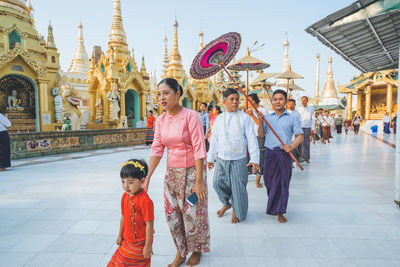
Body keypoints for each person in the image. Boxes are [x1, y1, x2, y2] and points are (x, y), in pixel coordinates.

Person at [145, 78, 209, 267]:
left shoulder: (191, 116)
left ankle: (196, 249)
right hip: (172, 174)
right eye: (159, 94)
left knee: (193, 212)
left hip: (193, 173)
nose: (161, 98)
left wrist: (199, 181)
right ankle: (181, 251)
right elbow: (157, 149)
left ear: (178, 93)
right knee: (172, 214)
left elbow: (199, 147)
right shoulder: (161, 120)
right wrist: (147, 176)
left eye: (166, 93)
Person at [207, 88, 259, 223]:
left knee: (238, 187)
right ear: (224, 102)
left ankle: (237, 211)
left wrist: (255, 160)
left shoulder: (245, 118)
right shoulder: (219, 119)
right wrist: (210, 158)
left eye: (237, 99)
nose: (235, 102)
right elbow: (214, 139)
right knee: (217, 183)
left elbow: (252, 139)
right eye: (232, 99)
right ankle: (226, 203)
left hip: (239, 159)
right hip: (222, 159)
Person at [257, 89, 303, 223]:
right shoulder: (267, 117)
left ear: (286, 101)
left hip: (284, 154)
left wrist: (291, 146)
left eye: (280, 99)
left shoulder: (293, 117)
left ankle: (280, 211)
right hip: (270, 153)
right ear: (272, 101)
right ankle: (274, 206)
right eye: (275, 99)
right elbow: (260, 135)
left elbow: (300, 136)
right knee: (269, 182)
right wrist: (260, 121)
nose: (278, 101)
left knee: (283, 183)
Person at [108, 159, 154, 267]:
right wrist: (120, 235)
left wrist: (148, 246)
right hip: (127, 240)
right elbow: (123, 217)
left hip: (140, 243)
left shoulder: (145, 201)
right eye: (123, 181)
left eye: (130, 182)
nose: (126, 186)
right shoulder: (125, 197)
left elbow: (149, 224)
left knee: (129, 262)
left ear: (142, 182)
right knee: (119, 260)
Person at [247, 93, 267, 188]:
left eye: (249, 100)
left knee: (260, 157)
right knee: (250, 156)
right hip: (250, 137)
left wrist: (252, 116)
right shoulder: (248, 111)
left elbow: (261, 123)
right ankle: (250, 172)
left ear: (253, 101)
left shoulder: (262, 110)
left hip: (259, 137)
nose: (248, 103)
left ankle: (258, 180)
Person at [297, 96, 315, 164]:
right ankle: (299, 157)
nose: (303, 101)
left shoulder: (311, 109)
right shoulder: (299, 109)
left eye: (304, 100)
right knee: (299, 143)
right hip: (299, 127)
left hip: (307, 127)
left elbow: (313, 119)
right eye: (302, 100)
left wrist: (312, 128)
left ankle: (306, 158)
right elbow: (297, 119)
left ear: (307, 101)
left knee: (306, 143)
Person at [286, 99, 304, 164]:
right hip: (286, 133)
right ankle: (289, 161)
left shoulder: (297, 114)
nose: (291, 106)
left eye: (292, 105)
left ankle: (293, 161)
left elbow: (299, 124)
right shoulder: (285, 112)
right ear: (287, 105)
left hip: (294, 133)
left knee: (293, 148)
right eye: (289, 104)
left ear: (295, 105)